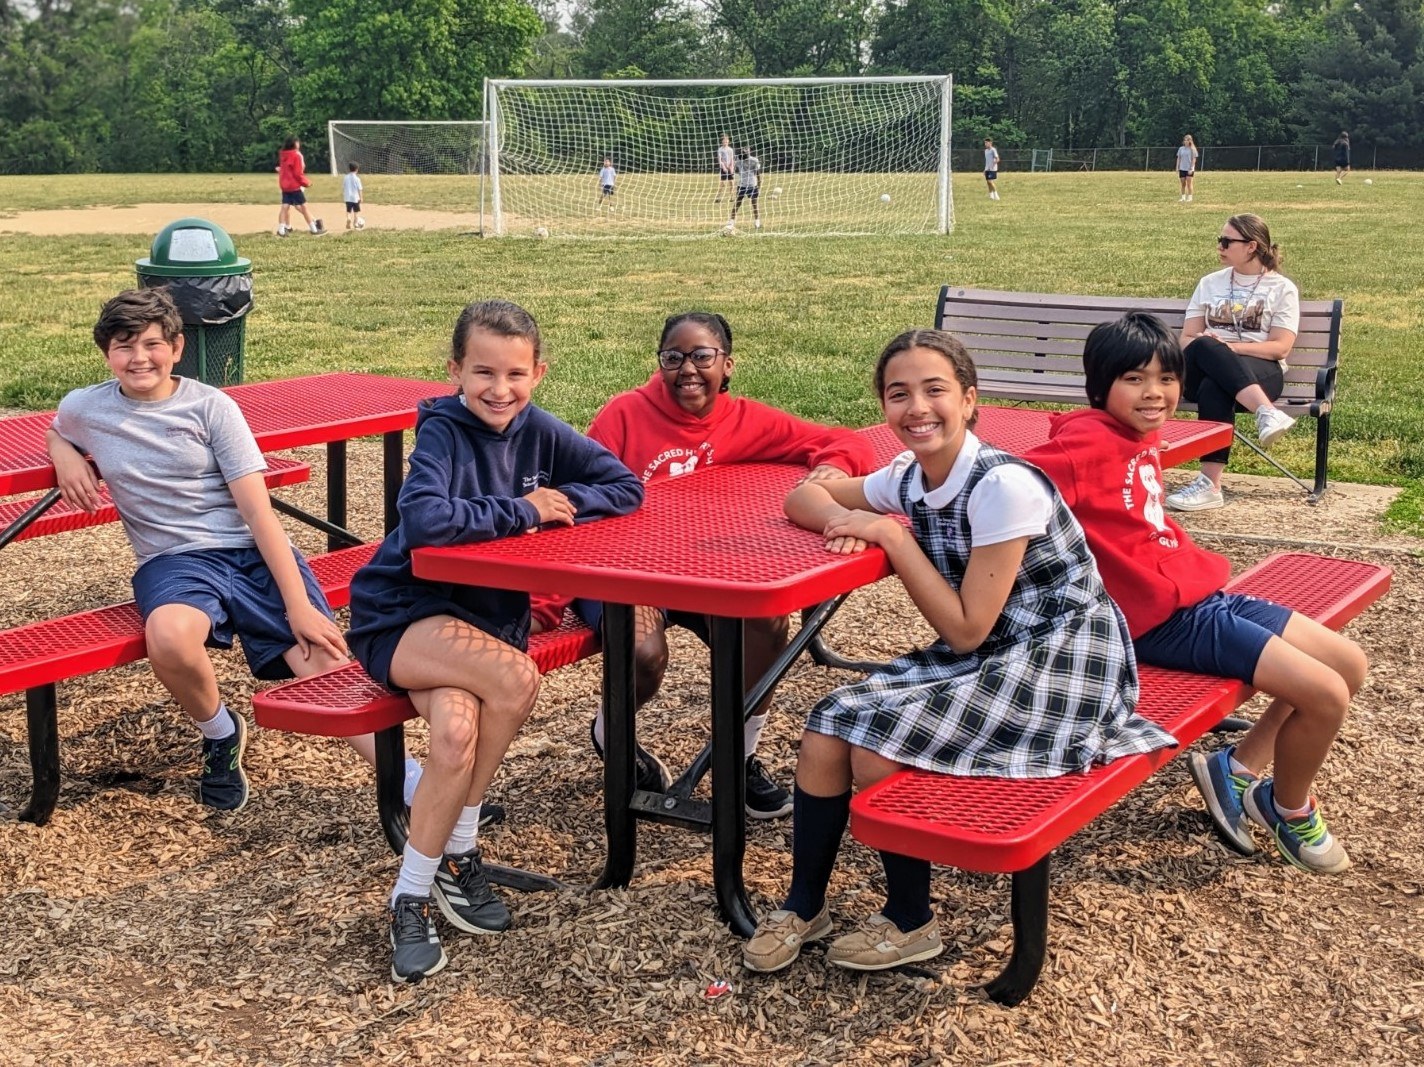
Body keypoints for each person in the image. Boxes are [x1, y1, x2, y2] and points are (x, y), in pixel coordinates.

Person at [744, 329, 1172, 974]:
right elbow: (802, 497)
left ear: (970, 400)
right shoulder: (910, 477)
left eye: (935, 390)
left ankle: (912, 919)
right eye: (899, 394)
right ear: (884, 408)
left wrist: (889, 535)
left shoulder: (1003, 485)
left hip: (1064, 660)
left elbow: (966, 630)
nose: (918, 407)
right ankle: (806, 905)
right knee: (828, 720)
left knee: (874, 734)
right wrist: (842, 506)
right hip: (1000, 652)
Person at [346, 299, 643, 984]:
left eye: (515, 373)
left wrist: (561, 507)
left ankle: (423, 881)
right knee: (514, 680)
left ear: (538, 372)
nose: (499, 389)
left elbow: (623, 486)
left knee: (453, 735)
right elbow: (424, 523)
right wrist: (524, 510)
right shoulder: (445, 431)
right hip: (403, 614)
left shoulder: (537, 429)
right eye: (482, 371)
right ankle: (445, 863)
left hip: (481, 623)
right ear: (455, 369)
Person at [1023, 312, 1366, 873]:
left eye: (1167, 378)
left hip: (1202, 598)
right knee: (1326, 694)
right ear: (1099, 385)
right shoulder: (1085, 442)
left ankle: (1236, 768)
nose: (1154, 393)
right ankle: (1285, 806)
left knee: (1348, 663)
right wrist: (870, 501)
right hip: (1162, 621)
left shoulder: (1136, 432)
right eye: (1134, 379)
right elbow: (1003, 482)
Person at [529, 312, 876, 820]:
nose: (687, 369)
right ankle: (613, 732)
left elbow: (846, 439)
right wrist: (548, 599)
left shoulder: (745, 419)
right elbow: (576, 502)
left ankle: (740, 758)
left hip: (706, 569)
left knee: (765, 623)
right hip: (627, 569)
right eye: (674, 358)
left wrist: (834, 466)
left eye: (702, 356)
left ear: (727, 365)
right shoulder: (624, 415)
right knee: (643, 653)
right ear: (660, 364)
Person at [46, 288, 350, 815]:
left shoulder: (211, 407)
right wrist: (64, 452)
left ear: (178, 347)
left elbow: (259, 515)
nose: (139, 357)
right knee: (167, 636)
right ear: (105, 354)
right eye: (124, 346)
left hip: (248, 552)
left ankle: (411, 785)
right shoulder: (86, 407)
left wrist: (297, 602)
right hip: (174, 561)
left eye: (152, 344)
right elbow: (58, 426)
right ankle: (220, 731)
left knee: (322, 661)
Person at [1165, 213, 1299, 512]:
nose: (1220, 247)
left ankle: (1209, 485)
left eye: (1227, 241)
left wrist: (1229, 347)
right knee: (1204, 347)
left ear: (1251, 246)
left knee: (1218, 384)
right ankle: (1266, 412)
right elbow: (1187, 339)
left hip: (1261, 370)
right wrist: (1214, 346)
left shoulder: (1281, 288)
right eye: (1219, 240)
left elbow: (1280, 347)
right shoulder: (1209, 283)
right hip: (1198, 370)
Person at [276, 137, 323, 237]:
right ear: (294, 144)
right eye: (297, 142)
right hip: (294, 186)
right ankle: (314, 229)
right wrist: (307, 183)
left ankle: (281, 230)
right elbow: (298, 173)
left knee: (285, 207)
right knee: (303, 207)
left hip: (285, 185)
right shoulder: (296, 155)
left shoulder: (283, 154)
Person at [729, 147, 762, 230]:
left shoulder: (754, 161)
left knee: (754, 204)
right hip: (742, 185)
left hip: (752, 185)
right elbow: (735, 169)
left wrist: (759, 186)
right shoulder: (739, 160)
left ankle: (757, 222)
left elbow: (758, 175)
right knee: (737, 203)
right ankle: (731, 222)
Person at [343, 162, 365, 230]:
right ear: (356, 169)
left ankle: (348, 219)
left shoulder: (346, 177)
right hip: (355, 198)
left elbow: (344, 186)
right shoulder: (357, 178)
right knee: (356, 212)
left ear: (349, 169)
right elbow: (360, 189)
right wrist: (361, 197)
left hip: (348, 197)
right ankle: (355, 223)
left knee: (348, 211)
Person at [1177, 135, 1198, 202]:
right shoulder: (1181, 149)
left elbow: (1194, 159)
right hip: (1182, 168)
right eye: (1185, 140)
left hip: (1189, 169)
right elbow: (1179, 158)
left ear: (1190, 141)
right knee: (1183, 183)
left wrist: (1191, 168)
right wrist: (1177, 167)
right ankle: (1183, 197)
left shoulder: (1193, 149)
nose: (1186, 141)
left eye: (1187, 140)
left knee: (1189, 183)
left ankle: (1190, 197)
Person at [715, 134, 735, 203]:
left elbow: (732, 158)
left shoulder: (730, 149)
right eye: (723, 142)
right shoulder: (720, 149)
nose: (725, 143)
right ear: (722, 142)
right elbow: (720, 159)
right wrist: (724, 166)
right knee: (722, 183)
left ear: (728, 142)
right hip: (723, 168)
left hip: (730, 167)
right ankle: (718, 197)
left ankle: (732, 197)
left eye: (726, 142)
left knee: (731, 183)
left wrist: (731, 167)